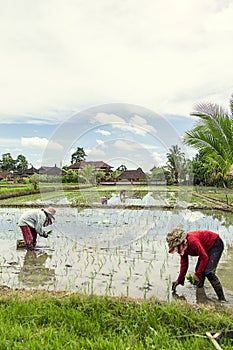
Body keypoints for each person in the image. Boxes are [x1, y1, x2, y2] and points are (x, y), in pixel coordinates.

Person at [166, 228, 226, 301]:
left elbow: (204, 257)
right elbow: (184, 264)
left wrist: (197, 274)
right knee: (199, 270)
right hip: (205, 248)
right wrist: (179, 280)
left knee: (209, 272)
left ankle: (222, 299)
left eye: (177, 248)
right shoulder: (182, 248)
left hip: (215, 244)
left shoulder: (193, 242)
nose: (177, 251)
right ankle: (200, 295)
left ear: (183, 242)